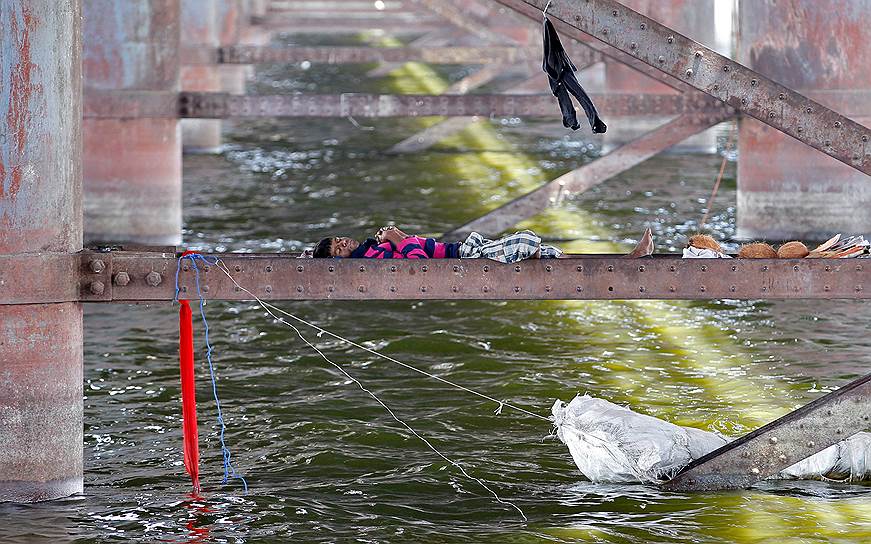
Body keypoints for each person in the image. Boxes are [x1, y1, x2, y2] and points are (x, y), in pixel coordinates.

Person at [311, 226, 563, 263]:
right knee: (525, 239)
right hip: (461, 258)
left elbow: (414, 247)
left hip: (460, 249)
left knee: (520, 243)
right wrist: (397, 236)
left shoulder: (370, 249)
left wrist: (396, 236)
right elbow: (420, 264)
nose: (343, 243)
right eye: (339, 249)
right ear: (339, 261)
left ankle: (541, 257)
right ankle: (540, 257)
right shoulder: (371, 261)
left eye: (338, 240)